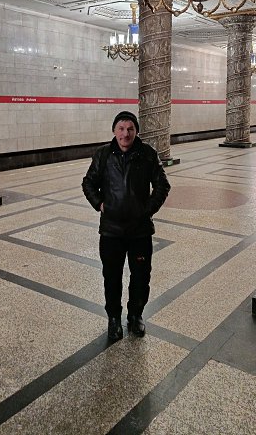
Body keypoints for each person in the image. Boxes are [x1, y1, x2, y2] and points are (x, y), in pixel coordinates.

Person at [82, 110, 171, 341]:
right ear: (114, 130)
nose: (125, 134)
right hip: (111, 231)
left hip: (139, 231)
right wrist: (100, 204)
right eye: (121, 129)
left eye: (130, 129)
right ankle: (114, 318)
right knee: (112, 277)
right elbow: (88, 182)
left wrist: (147, 210)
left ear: (136, 131)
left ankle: (135, 315)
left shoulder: (147, 154)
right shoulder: (103, 154)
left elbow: (163, 185)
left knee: (141, 277)